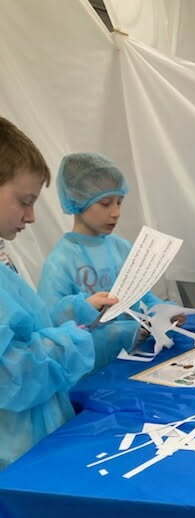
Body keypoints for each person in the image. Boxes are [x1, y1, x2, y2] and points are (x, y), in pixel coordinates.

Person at [0, 119, 111, 469]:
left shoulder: (3, 259)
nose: (32, 217)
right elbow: (10, 376)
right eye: (25, 201)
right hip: (14, 454)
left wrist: (76, 312)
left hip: (32, 436)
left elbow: (26, 326)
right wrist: (71, 341)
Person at [38, 152, 164, 370]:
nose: (116, 213)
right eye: (106, 204)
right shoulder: (61, 261)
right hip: (91, 372)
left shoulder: (121, 247)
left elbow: (143, 296)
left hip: (137, 360)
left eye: (119, 202)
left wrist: (162, 312)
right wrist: (82, 308)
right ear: (77, 201)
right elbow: (49, 324)